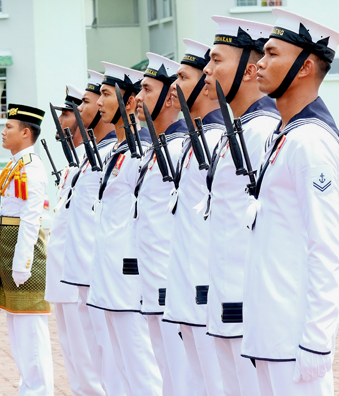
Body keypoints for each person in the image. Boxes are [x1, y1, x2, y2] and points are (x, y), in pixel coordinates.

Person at [241, 9, 339, 396]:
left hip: (294, 337)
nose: (259, 65)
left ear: (304, 67)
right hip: (270, 330)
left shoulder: (311, 142)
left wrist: (318, 338)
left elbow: (324, 247)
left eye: (271, 54)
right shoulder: (284, 134)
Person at [202, 16, 280, 396]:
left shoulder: (264, 131)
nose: (207, 69)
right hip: (224, 294)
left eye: (217, 60)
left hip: (246, 302)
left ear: (249, 71)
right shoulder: (239, 129)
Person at [87, 61, 162, 396]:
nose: (99, 102)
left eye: (106, 94)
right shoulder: (118, 150)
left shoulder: (143, 150)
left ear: (130, 102)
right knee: (118, 369)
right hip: (109, 277)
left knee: (142, 368)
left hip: (131, 280)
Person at [0, 103, 53, 395]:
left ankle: (39, 390)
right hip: (10, 245)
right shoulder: (16, 164)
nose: (3, 132)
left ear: (26, 132)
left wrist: (23, 263)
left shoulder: (32, 167)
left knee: (31, 333)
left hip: (23, 253)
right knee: (18, 331)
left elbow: (31, 219)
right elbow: (9, 209)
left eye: (9, 127)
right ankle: (28, 388)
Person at [162, 39, 225, 396]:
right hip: (184, 280)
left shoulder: (217, 139)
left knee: (215, 379)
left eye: (182, 78)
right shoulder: (194, 140)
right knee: (193, 379)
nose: (174, 87)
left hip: (205, 284)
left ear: (204, 83)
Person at [133, 52, 192, 396]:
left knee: (184, 377)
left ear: (171, 96)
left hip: (175, 283)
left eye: (147, 90)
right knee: (168, 377)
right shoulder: (159, 147)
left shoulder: (184, 146)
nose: (138, 99)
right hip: (152, 281)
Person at [60, 70, 123, 396]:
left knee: (106, 358)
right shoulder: (90, 155)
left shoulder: (111, 154)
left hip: (96, 272)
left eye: (86, 102)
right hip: (78, 269)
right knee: (82, 354)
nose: (92, 105)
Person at [45, 85, 105, 396]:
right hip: (65, 274)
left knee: (92, 362)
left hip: (84, 276)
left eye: (79, 106)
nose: (73, 114)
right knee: (76, 361)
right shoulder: (81, 159)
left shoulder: (103, 156)